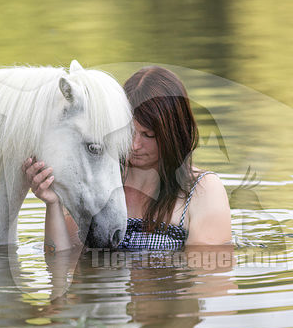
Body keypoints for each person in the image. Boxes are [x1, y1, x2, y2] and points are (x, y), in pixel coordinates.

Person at [23, 66, 232, 253]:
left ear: (174, 135)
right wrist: (53, 203)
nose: (134, 146)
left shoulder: (202, 190)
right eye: (128, 132)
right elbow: (61, 262)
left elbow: (207, 278)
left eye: (148, 135)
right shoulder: (97, 182)